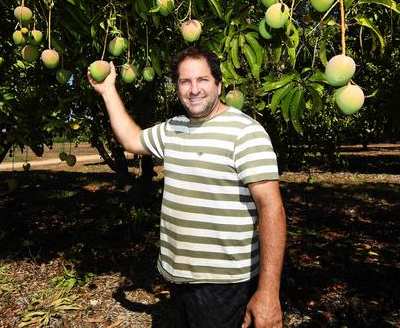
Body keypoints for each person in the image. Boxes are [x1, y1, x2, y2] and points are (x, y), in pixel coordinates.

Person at [87, 45, 286, 328]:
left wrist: (268, 292)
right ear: (177, 87)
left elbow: (272, 209)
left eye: (202, 80)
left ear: (219, 84)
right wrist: (108, 91)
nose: (194, 89)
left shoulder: (246, 133)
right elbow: (131, 140)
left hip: (223, 283)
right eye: (185, 81)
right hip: (177, 278)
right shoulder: (174, 128)